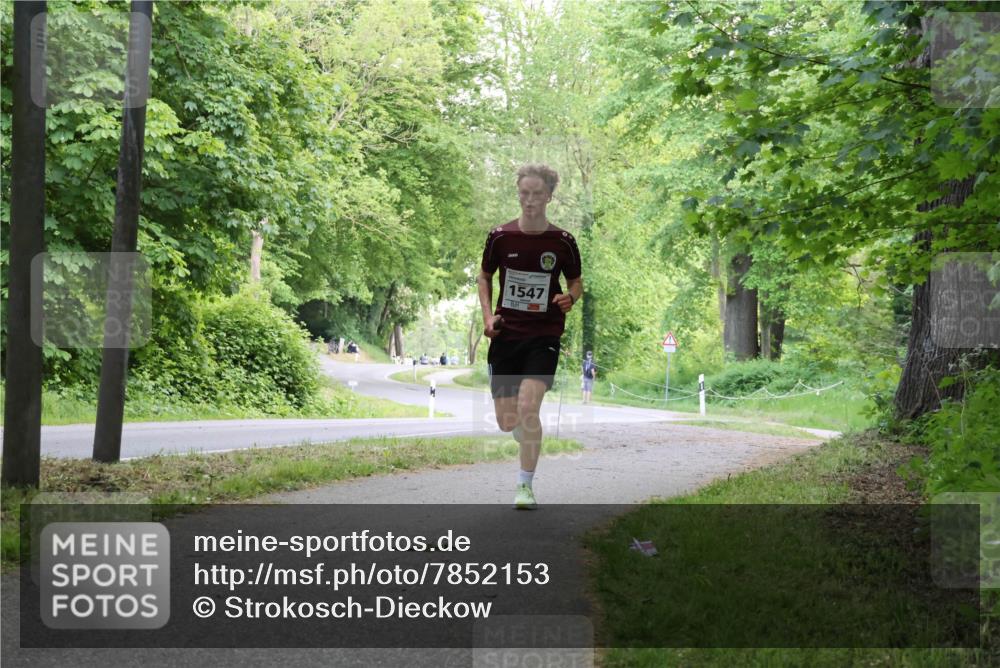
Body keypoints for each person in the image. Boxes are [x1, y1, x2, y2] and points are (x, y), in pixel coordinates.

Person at [478, 163, 583, 510]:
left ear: (549, 196)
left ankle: (525, 486)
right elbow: (484, 277)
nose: (530, 200)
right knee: (507, 420)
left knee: (528, 406)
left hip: (544, 335)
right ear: (518, 194)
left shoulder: (563, 241)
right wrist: (488, 315)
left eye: (538, 194)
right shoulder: (500, 237)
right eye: (525, 193)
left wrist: (570, 297)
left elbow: (575, 283)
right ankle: (525, 431)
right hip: (506, 336)